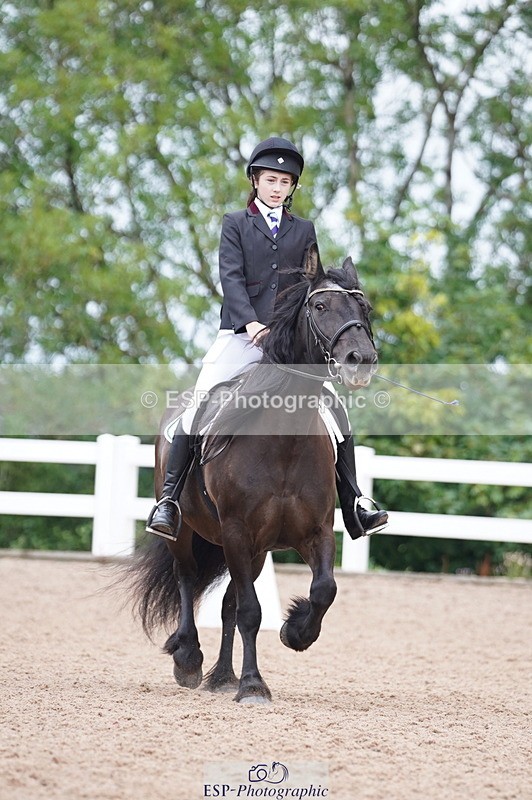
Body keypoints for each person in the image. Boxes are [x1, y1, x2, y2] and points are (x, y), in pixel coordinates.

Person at [146, 137, 388, 540]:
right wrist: (252, 325)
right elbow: (232, 280)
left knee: (333, 412)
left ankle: (355, 502)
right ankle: (169, 500)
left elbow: (310, 285)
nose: (277, 188)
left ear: (292, 188)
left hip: (286, 345)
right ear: (256, 180)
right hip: (240, 337)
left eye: (285, 182)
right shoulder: (235, 224)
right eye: (270, 179)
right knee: (199, 403)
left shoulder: (304, 230)